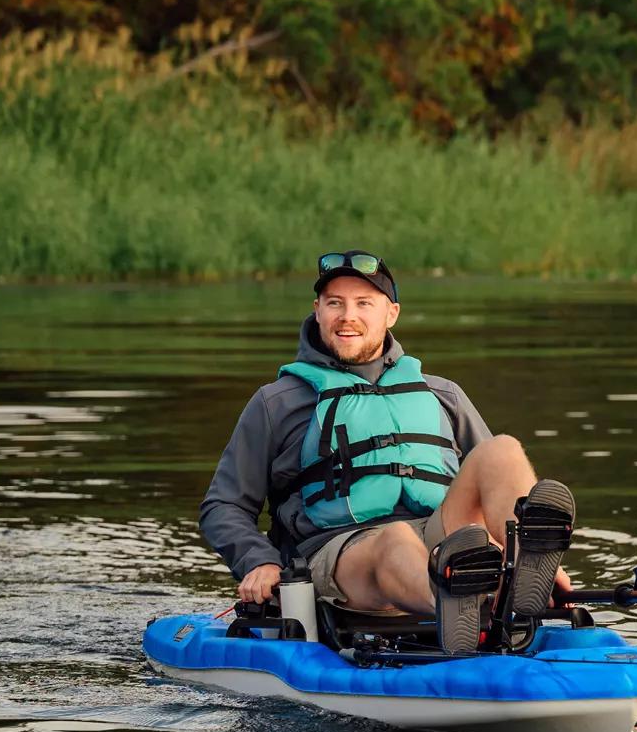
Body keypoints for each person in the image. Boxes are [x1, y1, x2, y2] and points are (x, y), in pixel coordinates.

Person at [200, 249, 574, 655]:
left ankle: (526, 572)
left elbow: (491, 487)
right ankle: (462, 606)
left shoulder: (442, 393)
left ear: (390, 313)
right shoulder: (277, 403)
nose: (348, 316)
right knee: (394, 539)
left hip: (440, 539)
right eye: (335, 304)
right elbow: (223, 505)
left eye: (364, 304)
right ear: (318, 311)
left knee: (502, 450)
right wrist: (258, 561)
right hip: (340, 553)